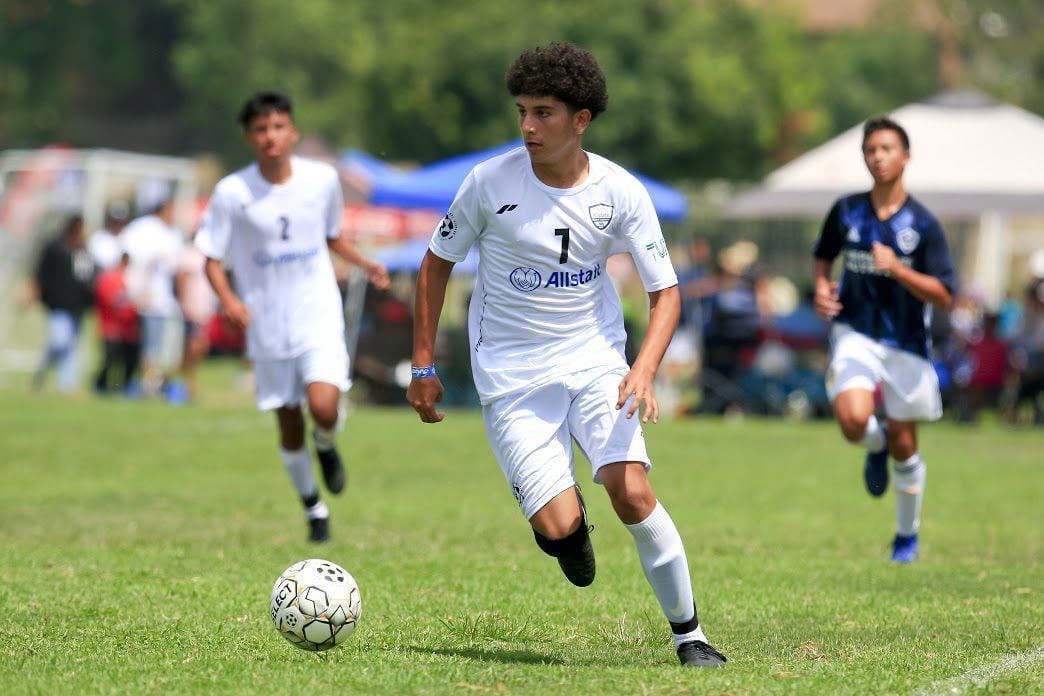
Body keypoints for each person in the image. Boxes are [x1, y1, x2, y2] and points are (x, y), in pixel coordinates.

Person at [406, 43, 727, 669]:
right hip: (510, 373)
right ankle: (568, 529)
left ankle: (691, 636)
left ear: (581, 119)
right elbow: (434, 265)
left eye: (544, 113)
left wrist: (644, 369)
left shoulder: (621, 192)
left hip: (595, 360)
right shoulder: (488, 183)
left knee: (631, 490)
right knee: (557, 530)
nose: (527, 126)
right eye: (522, 111)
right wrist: (423, 367)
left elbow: (666, 294)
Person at [195, 91, 390, 543]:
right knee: (287, 421)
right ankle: (314, 509)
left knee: (323, 406)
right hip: (266, 322)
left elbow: (332, 236)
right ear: (248, 137)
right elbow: (209, 257)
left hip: (316, 313)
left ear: (293, 131)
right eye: (261, 129)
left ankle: (327, 443)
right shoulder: (232, 192)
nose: (270, 137)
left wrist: (364, 264)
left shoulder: (321, 180)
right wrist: (229, 300)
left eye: (278, 126)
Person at [813, 116, 956, 563]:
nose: (878, 156)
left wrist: (898, 268)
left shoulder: (925, 224)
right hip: (855, 330)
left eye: (887, 148)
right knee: (854, 419)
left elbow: (947, 295)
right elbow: (822, 257)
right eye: (871, 149)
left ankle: (905, 537)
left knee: (905, 439)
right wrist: (821, 287)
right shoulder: (847, 210)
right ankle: (873, 446)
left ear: (905, 156)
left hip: (907, 341)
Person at [21, 214, 96, 393]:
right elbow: (40, 273)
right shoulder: (54, 247)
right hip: (57, 304)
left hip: (77, 306)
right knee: (58, 342)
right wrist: (31, 293)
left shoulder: (83, 250)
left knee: (71, 345)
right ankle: (42, 372)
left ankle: (67, 385)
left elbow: (88, 277)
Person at [121, 197, 186, 398]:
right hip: (149, 300)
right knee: (151, 346)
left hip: (162, 301)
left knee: (161, 347)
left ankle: (154, 384)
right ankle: (147, 385)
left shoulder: (168, 233)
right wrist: (141, 290)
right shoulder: (145, 230)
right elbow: (136, 262)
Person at [93, 250, 141, 394]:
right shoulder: (109, 278)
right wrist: (128, 301)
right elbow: (109, 299)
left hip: (129, 329)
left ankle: (123, 386)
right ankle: (101, 385)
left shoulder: (131, 278)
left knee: (130, 359)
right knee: (110, 359)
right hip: (111, 327)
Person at [86, 201, 131, 271]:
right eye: (115, 221)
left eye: (120, 221)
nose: (118, 225)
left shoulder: (130, 236)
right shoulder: (98, 239)